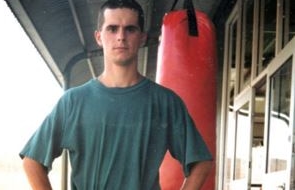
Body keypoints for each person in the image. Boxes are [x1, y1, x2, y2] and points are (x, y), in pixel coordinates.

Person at [20, 0, 213, 189]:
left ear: (142, 37)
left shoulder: (165, 102)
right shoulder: (73, 102)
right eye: (112, 29)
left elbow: (201, 162)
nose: (121, 36)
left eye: (130, 29)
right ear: (98, 37)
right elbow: (32, 161)